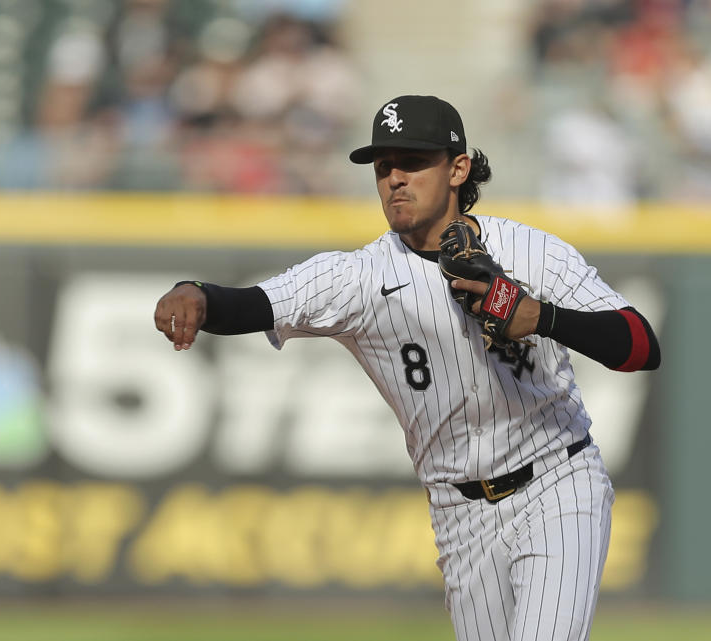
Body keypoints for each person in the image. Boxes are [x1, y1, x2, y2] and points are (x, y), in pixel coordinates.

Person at [153, 94, 661, 641]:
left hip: (558, 481)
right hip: (458, 512)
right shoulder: (357, 278)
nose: (395, 178)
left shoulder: (531, 251)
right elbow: (255, 303)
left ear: (458, 169)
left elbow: (639, 345)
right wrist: (198, 294)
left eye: (413, 162)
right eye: (383, 167)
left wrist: (542, 316)